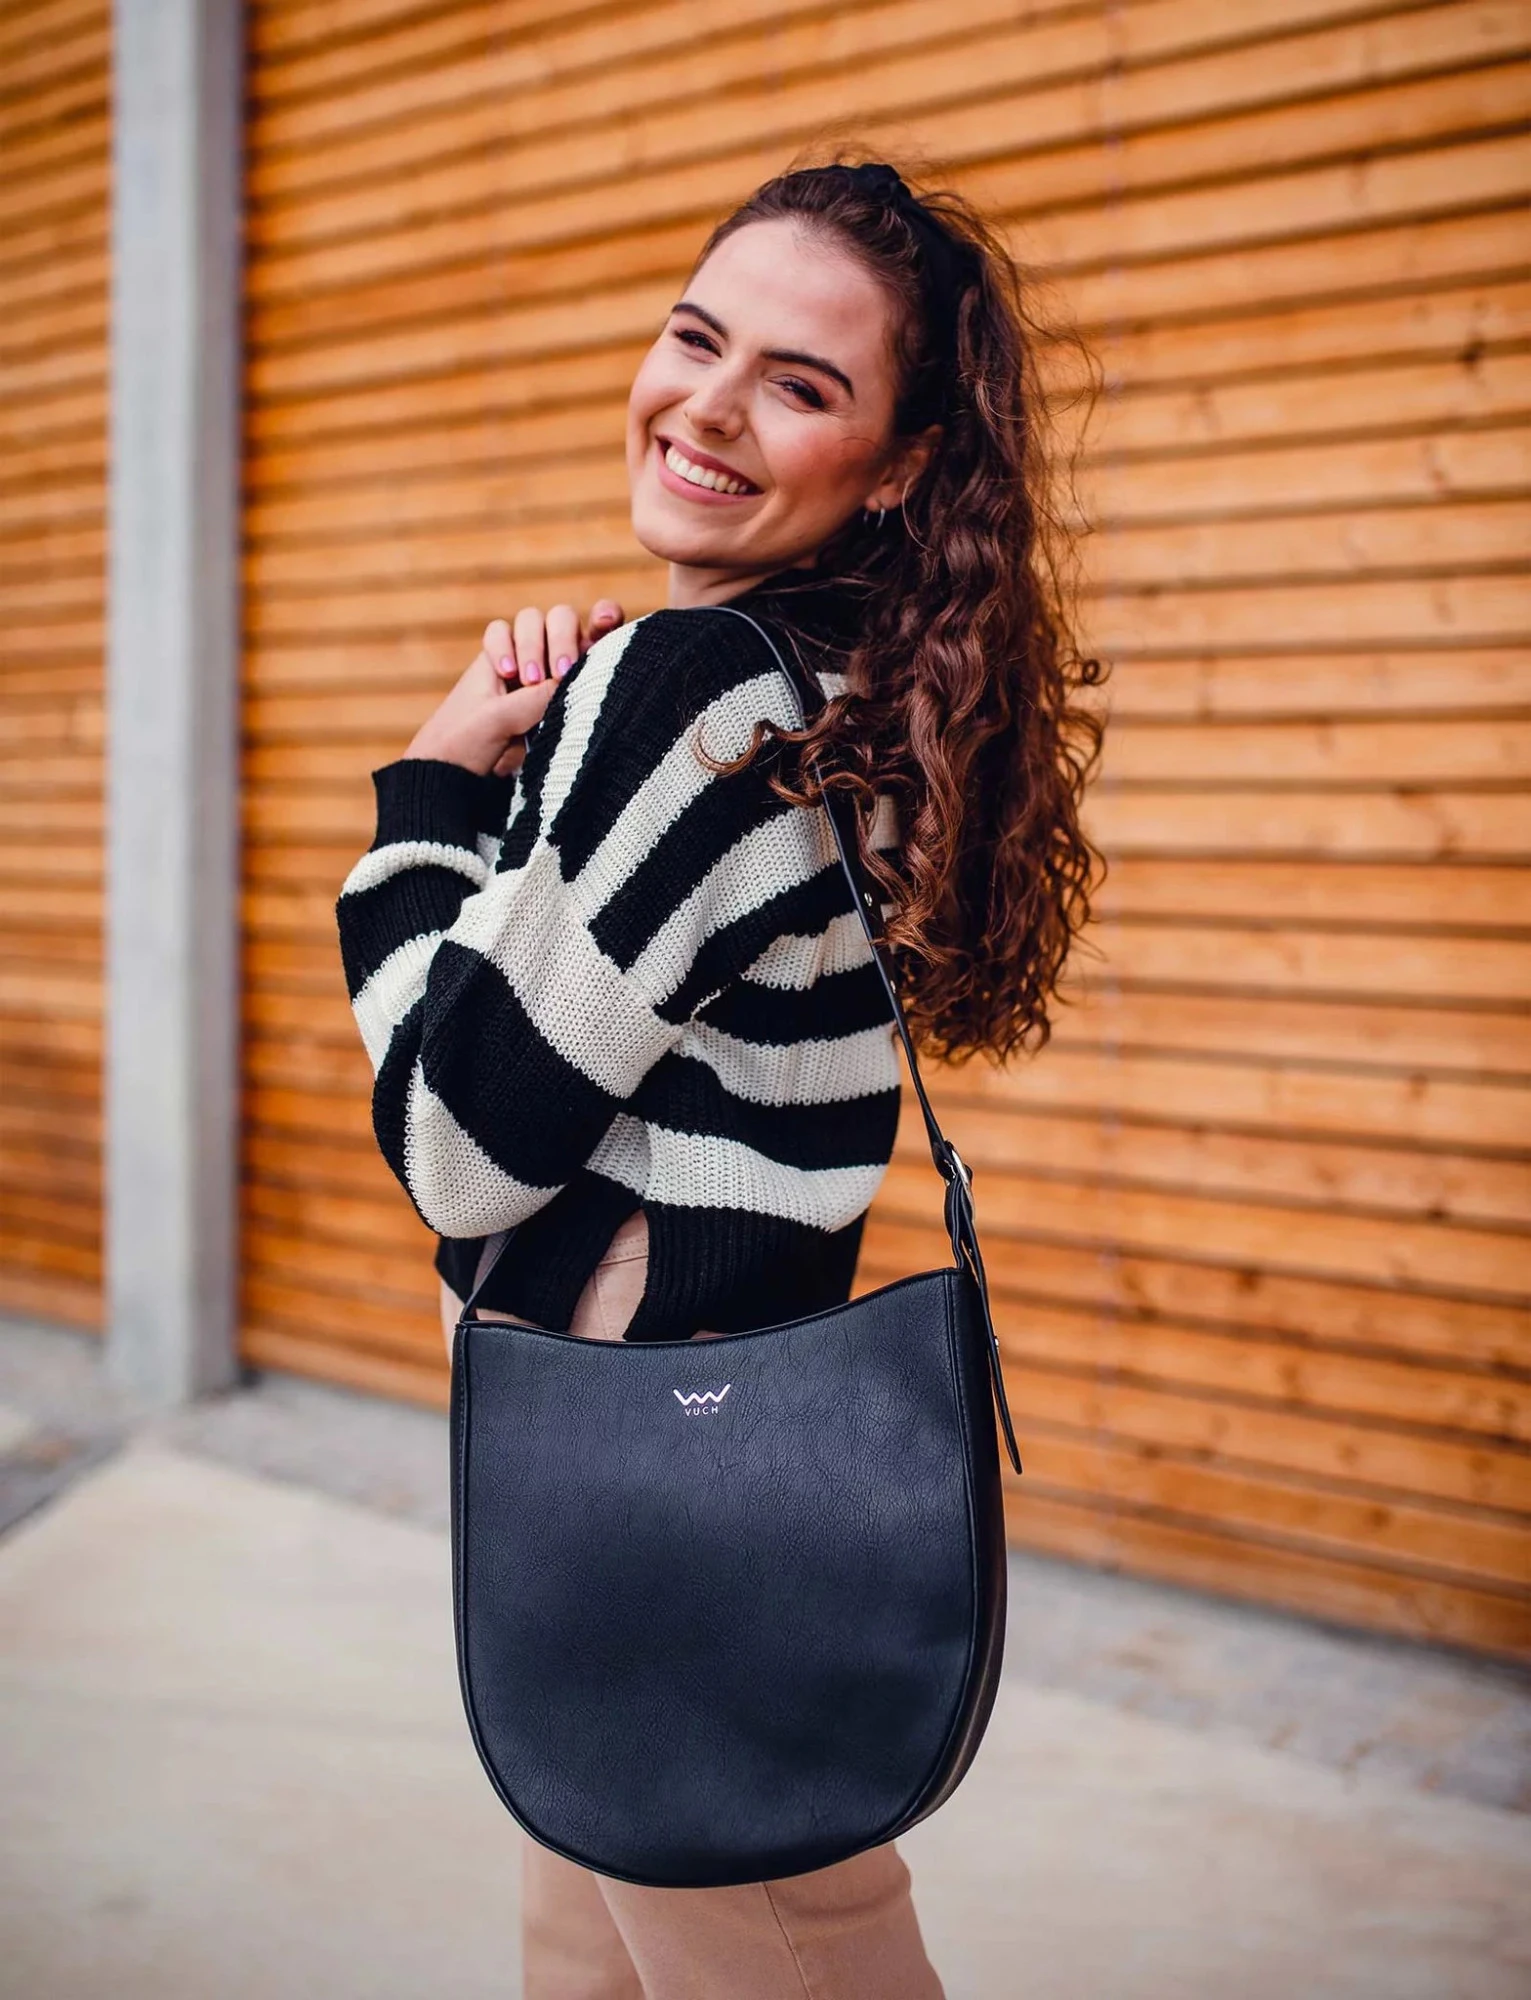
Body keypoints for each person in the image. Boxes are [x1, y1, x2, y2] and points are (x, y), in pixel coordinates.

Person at [335, 157, 1101, 2000]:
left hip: (630, 1395)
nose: (710, 406)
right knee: (596, 1931)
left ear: (897, 466)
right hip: (709, 1382)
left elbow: (458, 1141)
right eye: (697, 339)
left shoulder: (692, 689)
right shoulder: (843, 689)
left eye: (800, 383)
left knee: (777, 1937)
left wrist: (429, 798)